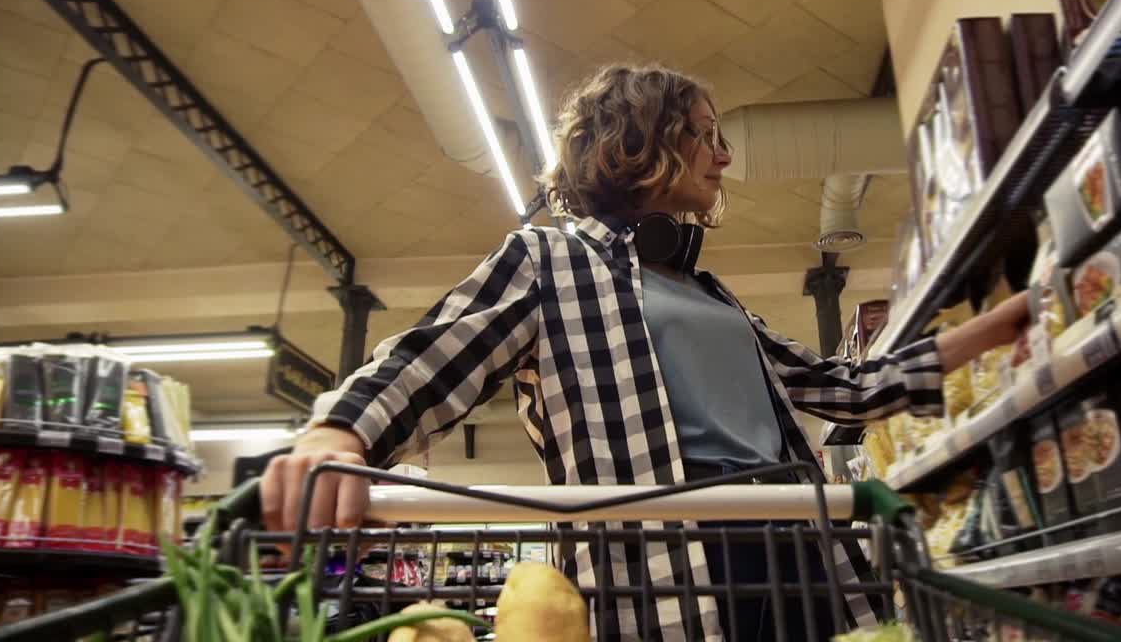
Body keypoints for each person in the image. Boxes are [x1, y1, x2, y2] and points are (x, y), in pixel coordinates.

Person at [260, 63, 1029, 641]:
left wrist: (999, 327)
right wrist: (342, 430)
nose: (724, 157)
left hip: (800, 547)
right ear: (639, 140)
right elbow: (432, 356)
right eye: (706, 133)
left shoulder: (716, 296)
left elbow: (849, 389)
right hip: (665, 568)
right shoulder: (548, 261)